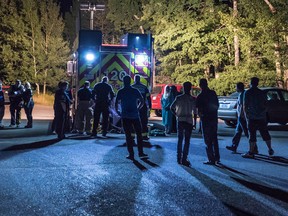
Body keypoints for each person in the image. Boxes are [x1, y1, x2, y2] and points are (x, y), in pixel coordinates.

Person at [115, 75, 148, 160]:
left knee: (128, 136)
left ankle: (131, 154)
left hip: (125, 116)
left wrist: (118, 111)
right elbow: (142, 101)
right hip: (135, 116)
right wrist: (138, 108)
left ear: (123, 81)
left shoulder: (121, 91)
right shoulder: (135, 90)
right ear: (130, 81)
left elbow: (116, 102)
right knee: (139, 134)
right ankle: (141, 153)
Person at [242, 77, 274, 158]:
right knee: (265, 133)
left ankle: (251, 152)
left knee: (252, 134)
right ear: (257, 83)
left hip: (252, 117)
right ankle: (270, 148)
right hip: (261, 117)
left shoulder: (248, 92)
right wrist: (263, 113)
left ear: (251, 83)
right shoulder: (262, 93)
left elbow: (245, 106)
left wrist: (246, 116)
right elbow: (266, 105)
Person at [226, 82, 258, 153]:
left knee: (246, 132)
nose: (235, 88)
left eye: (236, 87)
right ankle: (234, 146)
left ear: (238, 88)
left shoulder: (242, 95)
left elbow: (242, 106)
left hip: (242, 117)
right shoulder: (242, 94)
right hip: (241, 117)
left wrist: (241, 116)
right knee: (238, 131)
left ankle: (254, 148)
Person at [171, 81, 197, 166]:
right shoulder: (192, 99)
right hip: (189, 121)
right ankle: (184, 158)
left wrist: (176, 115)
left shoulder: (178, 98)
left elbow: (171, 107)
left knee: (180, 140)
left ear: (183, 88)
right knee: (187, 141)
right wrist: (195, 123)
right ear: (190, 88)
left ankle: (178, 158)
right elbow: (195, 112)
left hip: (180, 120)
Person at [196, 78, 220, 165]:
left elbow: (198, 110)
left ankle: (211, 159)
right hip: (213, 118)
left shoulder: (200, 96)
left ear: (200, 85)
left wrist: (201, 116)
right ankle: (217, 158)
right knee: (214, 138)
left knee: (207, 140)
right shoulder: (213, 93)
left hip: (205, 119)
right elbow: (217, 105)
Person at [132, 74, 152, 140]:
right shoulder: (144, 87)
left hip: (134, 106)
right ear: (139, 79)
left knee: (133, 121)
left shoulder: (132, 87)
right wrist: (150, 105)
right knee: (143, 121)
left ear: (134, 79)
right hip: (143, 106)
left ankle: (132, 136)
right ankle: (144, 136)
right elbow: (148, 97)